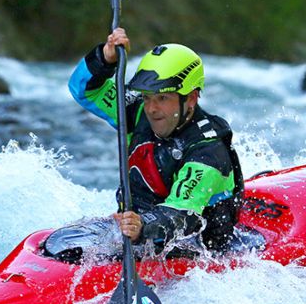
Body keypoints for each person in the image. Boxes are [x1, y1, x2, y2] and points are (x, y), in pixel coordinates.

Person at [68, 27, 243, 254]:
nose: (151, 109)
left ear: (190, 98)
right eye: (147, 97)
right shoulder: (137, 113)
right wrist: (105, 57)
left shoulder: (208, 153)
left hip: (198, 252)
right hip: (138, 235)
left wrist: (143, 226)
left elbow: (181, 214)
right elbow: (82, 90)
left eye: (162, 98)